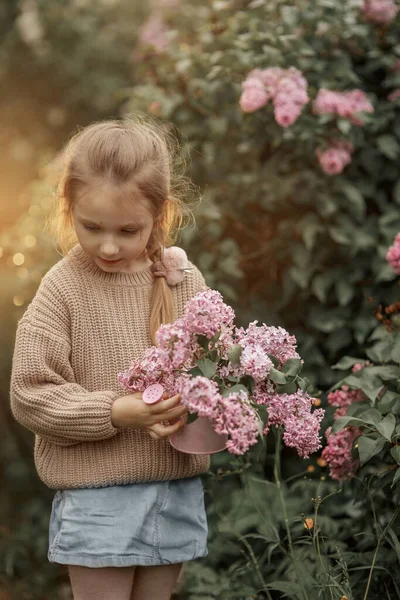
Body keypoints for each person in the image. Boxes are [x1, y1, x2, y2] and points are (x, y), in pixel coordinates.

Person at [9, 116, 211, 600]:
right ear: (68, 207)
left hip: (175, 494)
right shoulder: (63, 288)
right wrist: (118, 412)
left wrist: (193, 406)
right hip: (98, 500)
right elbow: (29, 394)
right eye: (91, 226)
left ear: (160, 215)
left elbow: (216, 377)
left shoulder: (185, 283)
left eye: (128, 230)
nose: (108, 245)